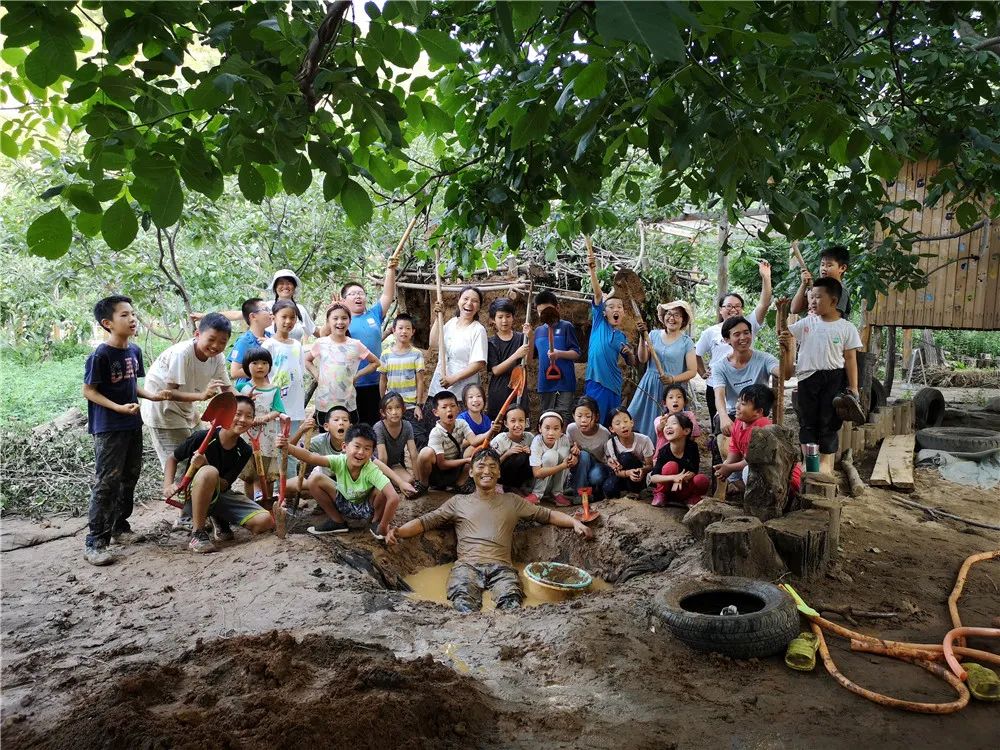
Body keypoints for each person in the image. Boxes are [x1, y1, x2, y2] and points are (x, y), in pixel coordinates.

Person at [386, 448, 593, 612]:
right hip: (467, 566)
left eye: (493, 466)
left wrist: (575, 523)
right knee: (463, 605)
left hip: (502, 568)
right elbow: (425, 521)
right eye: (481, 466)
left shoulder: (512, 501)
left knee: (511, 604)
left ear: (499, 472)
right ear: (471, 471)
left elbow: (547, 515)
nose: (487, 471)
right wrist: (398, 532)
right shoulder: (458, 501)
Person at [82, 295, 168, 565]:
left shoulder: (134, 351)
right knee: (107, 482)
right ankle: (96, 541)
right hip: (109, 427)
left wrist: (152, 396)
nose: (132, 319)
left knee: (130, 476)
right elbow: (89, 391)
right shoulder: (100, 355)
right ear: (107, 323)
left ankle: (120, 527)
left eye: (132, 313)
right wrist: (117, 408)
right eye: (124, 315)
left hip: (132, 423)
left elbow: (131, 384)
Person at [141, 312, 232, 532]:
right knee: (183, 462)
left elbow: (227, 389)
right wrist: (202, 397)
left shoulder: (217, 358)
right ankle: (185, 516)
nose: (215, 346)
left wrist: (244, 405)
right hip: (162, 411)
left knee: (201, 456)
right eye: (211, 339)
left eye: (222, 342)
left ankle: (199, 511)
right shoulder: (183, 353)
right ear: (197, 334)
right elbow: (167, 393)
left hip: (187, 409)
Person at [163, 395, 275, 553]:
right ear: (226, 414)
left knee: (265, 522)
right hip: (192, 495)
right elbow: (172, 458)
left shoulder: (244, 450)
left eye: (249, 416)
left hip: (219, 494)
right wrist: (167, 485)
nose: (243, 419)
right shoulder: (202, 437)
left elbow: (224, 485)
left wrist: (206, 463)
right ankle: (198, 533)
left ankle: (218, 517)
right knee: (208, 472)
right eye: (238, 414)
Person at [780, 277, 864, 475]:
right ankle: (810, 465)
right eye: (811, 297)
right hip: (807, 378)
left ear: (834, 301)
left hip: (834, 378)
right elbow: (786, 331)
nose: (812, 301)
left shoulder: (846, 328)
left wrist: (853, 387)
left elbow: (850, 359)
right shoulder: (807, 323)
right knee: (807, 421)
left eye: (818, 297)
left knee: (829, 422)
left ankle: (825, 466)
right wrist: (783, 329)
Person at [278, 423, 399, 538]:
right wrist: (288, 447)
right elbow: (311, 457)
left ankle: (376, 522)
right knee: (314, 479)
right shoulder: (339, 461)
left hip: (367, 508)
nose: (361, 452)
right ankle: (337, 521)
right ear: (344, 447)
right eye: (357, 446)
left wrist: (383, 525)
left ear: (372, 452)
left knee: (383, 487)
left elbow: (393, 497)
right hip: (343, 503)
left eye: (367, 448)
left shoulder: (372, 469)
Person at [695, 261, 773, 427]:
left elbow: (764, 304)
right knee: (721, 425)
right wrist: (702, 373)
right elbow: (697, 353)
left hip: (747, 384)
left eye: (738, 306)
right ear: (721, 309)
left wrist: (766, 277)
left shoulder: (749, 323)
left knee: (752, 428)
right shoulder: (710, 332)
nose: (733, 309)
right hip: (718, 385)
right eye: (728, 306)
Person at [706, 316, 782, 453]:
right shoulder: (720, 367)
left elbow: (784, 374)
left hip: (757, 413)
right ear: (726, 340)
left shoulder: (764, 358)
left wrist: (789, 349)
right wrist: (723, 417)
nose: (743, 337)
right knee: (725, 440)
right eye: (737, 334)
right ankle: (726, 470)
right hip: (732, 413)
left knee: (759, 449)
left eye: (746, 332)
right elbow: (719, 395)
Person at [338, 259, 399, 426]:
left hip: (377, 381)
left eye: (361, 293)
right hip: (352, 382)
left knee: (376, 425)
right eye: (353, 293)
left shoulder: (374, 315)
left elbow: (387, 295)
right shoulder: (341, 320)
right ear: (343, 300)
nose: (358, 296)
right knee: (355, 425)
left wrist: (390, 270)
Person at [712, 384, 803, 494]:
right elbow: (734, 451)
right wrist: (725, 468)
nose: (737, 406)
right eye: (738, 401)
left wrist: (730, 468)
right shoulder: (738, 423)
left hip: (784, 478)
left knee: (747, 472)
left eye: (743, 404)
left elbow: (755, 461)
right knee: (730, 469)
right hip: (757, 468)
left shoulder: (763, 429)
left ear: (758, 412)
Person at [583, 240, 637, 426]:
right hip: (595, 382)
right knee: (592, 420)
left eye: (620, 307)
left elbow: (632, 363)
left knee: (609, 422)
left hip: (613, 385)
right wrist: (592, 270)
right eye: (611, 306)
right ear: (604, 312)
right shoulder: (599, 323)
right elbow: (598, 295)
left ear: (622, 313)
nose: (616, 309)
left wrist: (629, 354)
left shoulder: (622, 337)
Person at [628, 300, 698, 441]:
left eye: (677, 315)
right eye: (669, 314)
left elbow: (692, 371)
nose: (672, 318)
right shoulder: (652, 335)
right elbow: (642, 359)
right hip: (650, 384)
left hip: (673, 391)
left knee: (670, 423)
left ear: (683, 320)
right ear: (664, 317)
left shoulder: (686, 342)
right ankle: (646, 452)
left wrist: (672, 379)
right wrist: (642, 337)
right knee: (639, 418)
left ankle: (665, 453)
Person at [191, 269, 316, 342]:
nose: (285, 286)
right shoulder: (266, 307)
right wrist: (204, 316)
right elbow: (236, 314)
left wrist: (334, 310)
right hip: (266, 363)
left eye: (289, 283)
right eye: (281, 283)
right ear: (275, 287)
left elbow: (318, 332)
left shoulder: (300, 310)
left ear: (294, 287)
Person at [306, 303, 379, 426]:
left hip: (347, 401)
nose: (340, 322)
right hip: (325, 401)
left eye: (344, 318)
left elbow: (376, 362)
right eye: (335, 318)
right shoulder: (321, 343)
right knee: (326, 436)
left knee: (348, 436)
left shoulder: (355, 345)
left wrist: (357, 375)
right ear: (328, 321)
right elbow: (307, 360)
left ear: (350, 321)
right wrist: (317, 375)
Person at [235, 347, 286, 503]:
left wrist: (265, 417)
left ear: (269, 366)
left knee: (268, 476)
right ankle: (249, 504)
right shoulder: (241, 388)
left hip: (267, 438)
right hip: (246, 437)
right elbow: (234, 408)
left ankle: (267, 503)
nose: (260, 366)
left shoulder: (274, 389)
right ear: (246, 366)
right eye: (255, 363)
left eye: (264, 363)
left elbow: (278, 410)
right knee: (248, 475)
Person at [428, 286, 488, 408]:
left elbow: (479, 363)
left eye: (475, 301)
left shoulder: (478, 330)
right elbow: (433, 344)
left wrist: (453, 379)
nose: (469, 303)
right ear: (459, 300)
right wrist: (438, 318)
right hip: (438, 388)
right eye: (465, 298)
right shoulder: (450, 323)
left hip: (461, 393)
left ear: (479, 307)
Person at [532, 290, 581, 425]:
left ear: (557, 308)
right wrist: (528, 336)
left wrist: (559, 354)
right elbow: (532, 356)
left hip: (565, 382)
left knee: (564, 415)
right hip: (545, 383)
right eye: (540, 311)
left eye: (547, 310)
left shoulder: (566, 327)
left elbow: (576, 353)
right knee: (546, 415)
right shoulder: (538, 331)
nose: (543, 314)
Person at [416, 391, 478, 493]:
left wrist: (490, 431)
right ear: (436, 412)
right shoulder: (436, 432)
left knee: (474, 448)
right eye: (444, 407)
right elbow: (442, 464)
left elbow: (474, 441)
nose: (449, 410)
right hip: (438, 474)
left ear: (458, 408)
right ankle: (423, 484)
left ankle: (460, 484)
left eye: (452, 406)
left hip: (455, 470)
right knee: (426, 453)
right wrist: (466, 460)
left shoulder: (462, 423)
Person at [263, 300, 307, 435]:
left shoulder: (297, 345)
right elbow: (262, 375)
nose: (288, 321)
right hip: (275, 401)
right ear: (273, 318)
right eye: (284, 317)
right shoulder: (269, 345)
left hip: (295, 401)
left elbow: (300, 370)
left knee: (291, 441)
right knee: (274, 441)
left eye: (292, 317)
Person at [649, 413, 710, 508]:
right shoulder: (664, 451)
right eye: (666, 425)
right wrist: (674, 477)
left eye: (673, 423)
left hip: (683, 488)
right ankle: (661, 495)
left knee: (702, 479)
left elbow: (694, 470)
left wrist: (682, 478)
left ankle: (691, 498)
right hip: (667, 489)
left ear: (686, 431)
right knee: (671, 466)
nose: (668, 427)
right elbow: (653, 477)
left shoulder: (692, 447)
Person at [486, 298, 532, 419]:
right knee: (498, 426)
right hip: (499, 391)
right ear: (493, 320)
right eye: (500, 317)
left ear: (513, 317)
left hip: (519, 390)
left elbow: (529, 360)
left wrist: (530, 338)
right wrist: (516, 355)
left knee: (519, 425)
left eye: (508, 316)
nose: (504, 321)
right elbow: (495, 370)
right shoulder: (491, 342)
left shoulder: (521, 338)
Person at [378, 313, 425, 422]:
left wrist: (418, 405)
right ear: (393, 330)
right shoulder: (385, 354)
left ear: (413, 332)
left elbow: (420, 381)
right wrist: (383, 403)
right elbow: (383, 380)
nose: (404, 331)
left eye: (408, 328)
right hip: (391, 406)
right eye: (400, 328)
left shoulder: (417, 354)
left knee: (416, 435)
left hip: (411, 406)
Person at [375, 392, 421, 496]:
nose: (394, 412)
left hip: (394, 465)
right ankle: (388, 483)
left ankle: (395, 482)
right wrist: (385, 483)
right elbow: (382, 458)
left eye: (397, 407)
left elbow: (413, 453)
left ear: (403, 409)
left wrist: (419, 481)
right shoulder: (379, 427)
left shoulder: (407, 426)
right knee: (396, 485)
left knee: (409, 481)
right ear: (383, 412)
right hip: (377, 467)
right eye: (389, 409)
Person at [526, 411, 577, 507]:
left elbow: (571, 458)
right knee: (551, 455)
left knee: (564, 451)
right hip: (539, 483)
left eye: (556, 428)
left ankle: (557, 493)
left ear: (561, 430)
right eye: (547, 428)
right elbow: (537, 473)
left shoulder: (564, 439)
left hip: (556, 483)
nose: (551, 433)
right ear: (540, 428)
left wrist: (574, 458)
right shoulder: (537, 442)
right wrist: (562, 466)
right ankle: (537, 494)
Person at [567, 396, 612, 500]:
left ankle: (589, 489)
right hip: (579, 464)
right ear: (573, 416)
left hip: (598, 465)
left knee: (595, 477)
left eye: (588, 416)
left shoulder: (604, 433)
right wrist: (573, 451)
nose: (583, 420)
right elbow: (568, 449)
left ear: (596, 417)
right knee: (583, 455)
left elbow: (608, 456)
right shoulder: (571, 429)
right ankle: (580, 493)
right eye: (579, 416)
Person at [603, 408, 655, 499]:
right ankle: (622, 495)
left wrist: (642, 471)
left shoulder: (644, 440)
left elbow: (650, 465)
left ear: (632, 423)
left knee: (626, 457)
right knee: (608, 488)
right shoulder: (611, 444)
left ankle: (636, 491)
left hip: (639, 476)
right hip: (623, 474)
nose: (623, 426)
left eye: (626, 421)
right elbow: (617, 470)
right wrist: (628, 473)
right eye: (618, 423)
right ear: (611, 429)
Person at [790, 245, 852, 318]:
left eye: (829, 265)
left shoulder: (841, 291)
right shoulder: (817, 288)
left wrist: (811, 298)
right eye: (822, 264)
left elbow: (831, 318)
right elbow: (794, 309)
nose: (824, 269)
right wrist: (803, 284)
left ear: (842, 268)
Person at [227, 298, 273, 387]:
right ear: (253, 316)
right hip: (249, 392)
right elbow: (234, 372)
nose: (270, 313)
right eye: (266, 310)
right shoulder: (244, 341)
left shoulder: (270, 337)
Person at [489, 405, 534, 493]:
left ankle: (523, 486)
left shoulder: (530, 437)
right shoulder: (500, 439)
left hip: (521, 476)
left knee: (526, 457)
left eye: (521, 420)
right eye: (513, 421)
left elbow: (538, 461)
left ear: (526, 422)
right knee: (517, 456)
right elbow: (491, 464)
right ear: (506, 423)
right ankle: (505, 486)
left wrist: (531, 453)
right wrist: (507, 454)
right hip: (503, 475)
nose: (517, 425)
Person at [652, 385, 702, 459]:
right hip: (663, 457)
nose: (675, 400)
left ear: (685, 402)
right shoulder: (659, 419)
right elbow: (659, 429)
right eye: (671, 397)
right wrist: (662, 425)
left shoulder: (689, 415)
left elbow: (692, 436)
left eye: (679, 397)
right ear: (664, 403)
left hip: (684, 454)